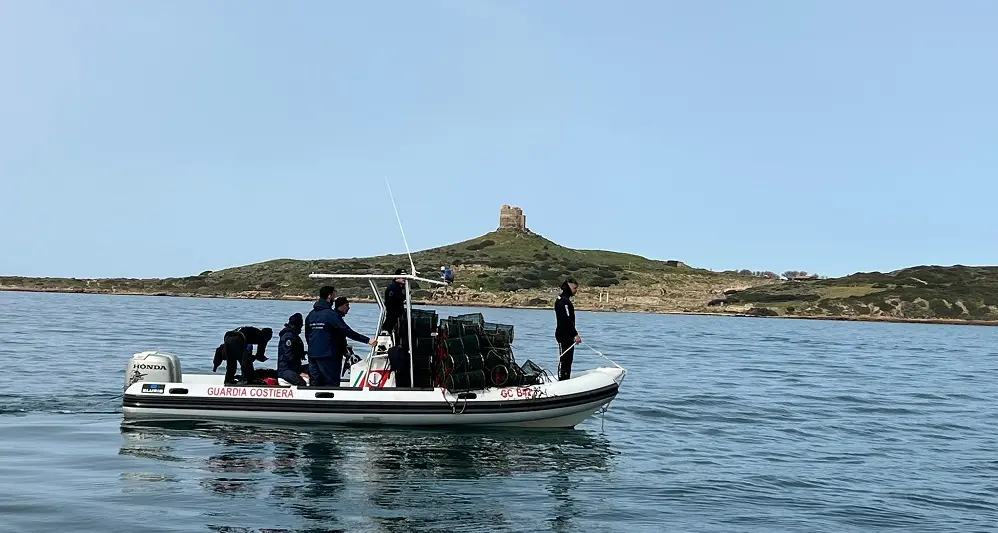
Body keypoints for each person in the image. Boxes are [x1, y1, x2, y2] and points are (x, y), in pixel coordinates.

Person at [306, 288, 377, 386]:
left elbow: (307, 335)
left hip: (313, 354)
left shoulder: (311, 315)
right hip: (328, 356)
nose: (335, 298)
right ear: (329, 296)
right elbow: (347, 331)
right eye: (334, 295)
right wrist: (367, 340)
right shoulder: (331, 315)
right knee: (331, 383)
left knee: (315, 382)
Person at [554, 278, 582, 381]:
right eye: (575, 288)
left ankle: (566, 377)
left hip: (567, 334)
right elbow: (566, 319)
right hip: (564, 335)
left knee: (568, 360)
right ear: (569, 287)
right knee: (564, 359)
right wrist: (575, 334)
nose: (576, 291)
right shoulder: (563, 301)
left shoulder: (564, 300)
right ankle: (562, 379)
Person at [277, 312, 308, 386]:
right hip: (286, 369)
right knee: (301, 383)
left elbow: (295, 352)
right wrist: (299, 372)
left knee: (313, 369)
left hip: (294, 367)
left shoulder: (294, 335)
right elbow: (288, 356)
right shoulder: (289, 337)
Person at [381, 268, 408, 337]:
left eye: (405, 276)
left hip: (399, 314)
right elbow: (390, 302)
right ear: (396, 277)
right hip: (393, 314)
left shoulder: (402, 287)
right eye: (402, 276)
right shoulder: (393, 287)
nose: (404, 278)